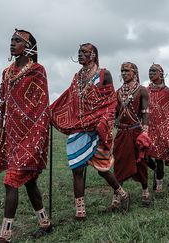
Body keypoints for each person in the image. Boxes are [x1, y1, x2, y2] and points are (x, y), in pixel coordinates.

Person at [0, 29, 51, 242]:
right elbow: (6, 106)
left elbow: (42, 108)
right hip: (13, 137)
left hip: (33, 135)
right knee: (30, 182)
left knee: (11, 181)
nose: (12, 43)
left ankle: (5, 234)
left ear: (29, 46)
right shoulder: (7, 73)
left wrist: (38, 136)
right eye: (11, 40)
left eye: (17, 40)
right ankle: (45, 222)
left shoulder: (38, 71)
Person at [50, 43, 129, 218]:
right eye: (79, 52)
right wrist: (52, 112)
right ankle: (80, 212)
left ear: (93, 55)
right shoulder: (77, 77)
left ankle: (122, 193)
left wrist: (103, 123)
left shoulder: (104, 74)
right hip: (78, 127)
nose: (80, 55)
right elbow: (69, 99)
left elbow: (110, 102)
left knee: (102, 169)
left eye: (84, 52)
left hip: (96, 128)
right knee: (76, 168)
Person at [113, 62, 152, 207]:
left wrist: (145, 132)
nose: (123, 73)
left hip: (136, 131)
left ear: (134, 72)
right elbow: (115, 113)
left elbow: (145, 112)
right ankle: (117, 195)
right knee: (119, 162)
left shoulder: (142, 90)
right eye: (122, 71)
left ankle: (145, 192)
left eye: (126, 71)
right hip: (122, 131)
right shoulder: (118, 92)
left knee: (141, 162)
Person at [146, 64, 169, 195]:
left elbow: (168, 111)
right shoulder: (146, 90)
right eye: (149, 71)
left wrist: (167, 130)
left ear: (161, 73)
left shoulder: (167, 91)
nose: (150, 73)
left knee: (159, 157)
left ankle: (159, 184)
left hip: (162, 128)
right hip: (148, 127)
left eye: (153, 71)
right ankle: (155, 170)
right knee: (144, 155)